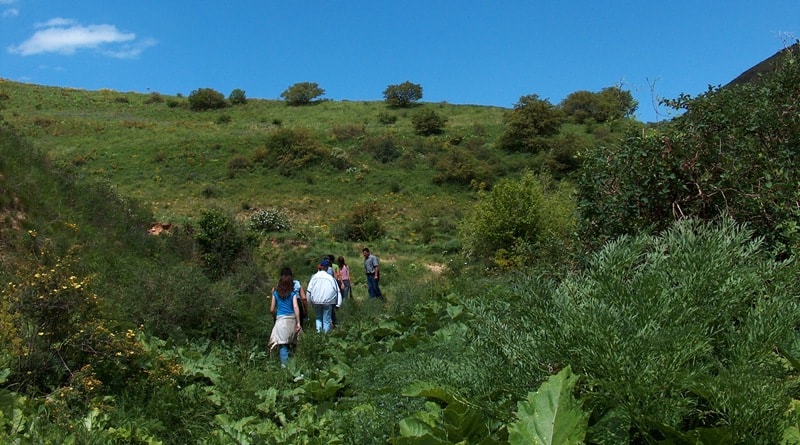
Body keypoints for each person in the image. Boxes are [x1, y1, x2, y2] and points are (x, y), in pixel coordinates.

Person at [269, 274, 302, 366]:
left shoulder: (275, 294)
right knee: (295, 342)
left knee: (283, 345)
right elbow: (295, 307)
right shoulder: (292, 294)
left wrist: (274, 316)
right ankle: (294, 364)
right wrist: (298, 322)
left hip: (281, 320)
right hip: (291, 320)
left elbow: (272, 309)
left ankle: (284, 367)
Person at [306, 258, 341, 333]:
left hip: (316, 301)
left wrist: (308, 302)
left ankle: (318, 333)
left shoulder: (314, 277)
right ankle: (325, 336)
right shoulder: (330, 278)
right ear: (328, 267)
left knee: (318, 318)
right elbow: (337, 290)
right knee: (326, 319)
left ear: (320, 266)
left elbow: (309, 290)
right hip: (328, 301)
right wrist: (338, 304)